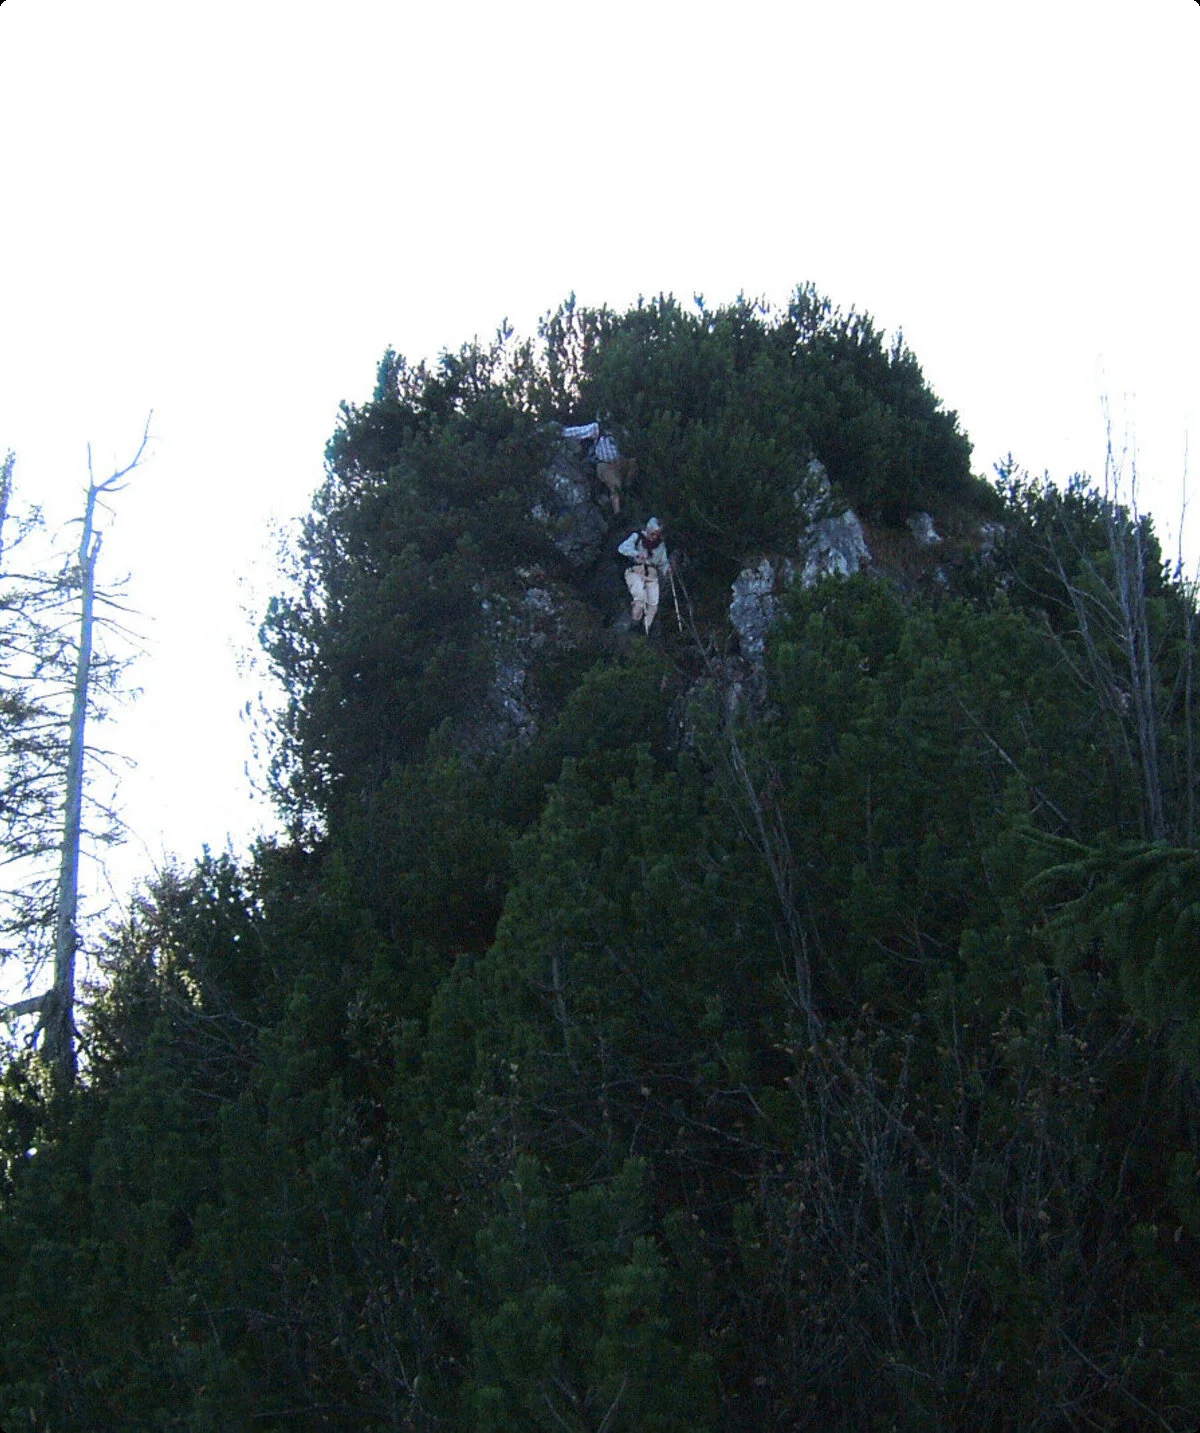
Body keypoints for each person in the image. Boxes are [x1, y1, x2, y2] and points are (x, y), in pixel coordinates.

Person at [562, 420, 634, 514]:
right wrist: (560, 432)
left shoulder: (620, 429)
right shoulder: (597, 428)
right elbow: (580, 431)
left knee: (633, 464)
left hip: (620, 461)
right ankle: (618, 513)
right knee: (615, 486)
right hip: (605, 464)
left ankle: (628, 493)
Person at [617, 518, 671, 633]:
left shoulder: (660, 546)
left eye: (657, 534)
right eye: (652, 533)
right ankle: (634, 625)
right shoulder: (637, 537)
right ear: (647, 529)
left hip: (651, 576)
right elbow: (622, 548)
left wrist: (667, 569)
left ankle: (644, 630)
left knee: (652, 605)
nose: (654, 537)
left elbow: (663, 562)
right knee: (640, 599)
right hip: (636, 571)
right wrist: (636, 554)